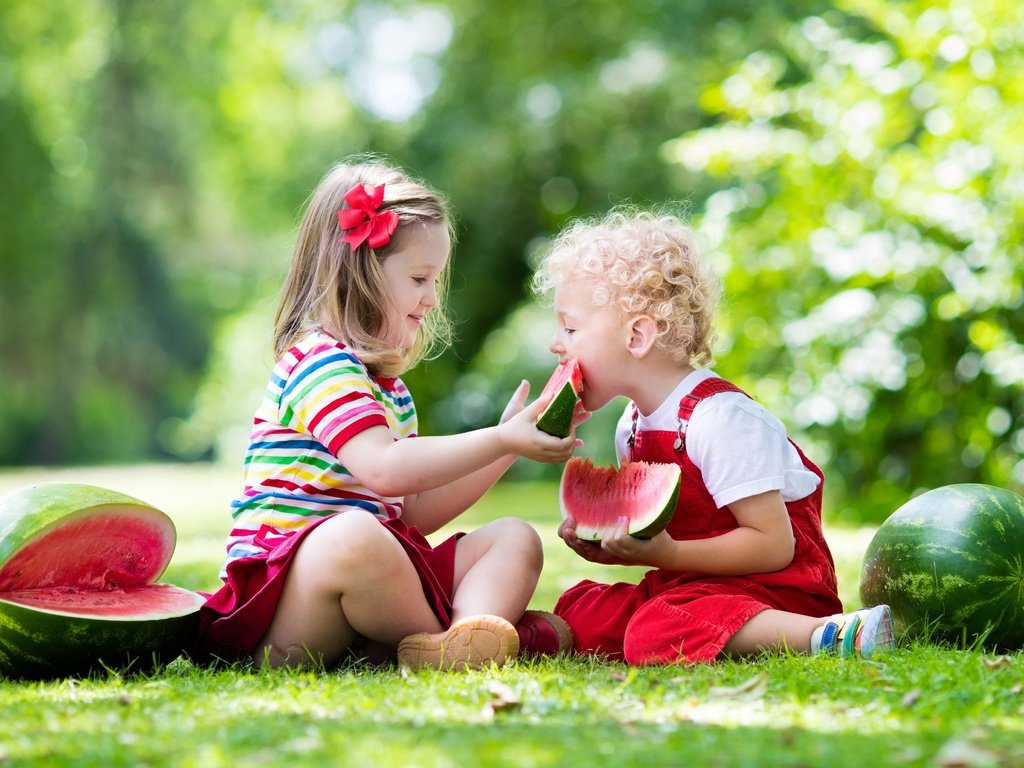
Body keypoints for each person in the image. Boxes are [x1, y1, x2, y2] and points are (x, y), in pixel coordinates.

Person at [193, 158, 575, 671]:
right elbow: (382, 467)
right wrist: (500, 439)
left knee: (514, 537)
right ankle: (455, 640)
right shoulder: (319, 363)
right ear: (361, 271)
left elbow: (411, 514)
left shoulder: (388, 390)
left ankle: (458, 640)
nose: (432, 298)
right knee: (356, 535)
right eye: (420, 278)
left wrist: (508, 448)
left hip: (373, 596)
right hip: (287, 611)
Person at [531, 209, 895, 665]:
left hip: (776, 589)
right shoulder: (633, 425)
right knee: (583, 606)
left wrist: (671, 553)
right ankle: (524, 636)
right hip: (692, 585)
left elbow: (773, 546)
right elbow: (657, 537)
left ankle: (827, 634)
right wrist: (614, 547)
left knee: (654, 629)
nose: (555, 344)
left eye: (570, 327)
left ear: (638, 335)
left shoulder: (719, 419)